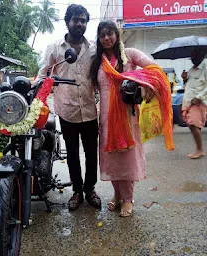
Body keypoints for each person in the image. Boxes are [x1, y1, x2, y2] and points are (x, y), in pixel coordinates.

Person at [90, 20, 158, 217]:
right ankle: (117, 195)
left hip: (127, 117)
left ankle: (128, 199)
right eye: (102, 34)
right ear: (99, 38)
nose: (106, 38)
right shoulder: (98, 61)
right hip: (105, 119)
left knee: (126, 159)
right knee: (112, 159)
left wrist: (147, 85)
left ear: (117, 34)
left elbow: (153, 69)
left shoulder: (130, 54)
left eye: (110, 33)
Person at [37, 4, 101, 211]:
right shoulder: (55, 48)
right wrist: (33, 91)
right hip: (66, 109)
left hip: (90, 109)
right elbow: (43, 74)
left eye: (83, 20)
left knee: (91, 153)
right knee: (72, 153)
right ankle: (76, 191)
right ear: (67, 22)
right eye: (76, 19)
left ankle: (90, 189)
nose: (79, 23)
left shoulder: (93, 48)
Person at [181, 49, 207, 159]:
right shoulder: (192, 70)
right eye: (191, 55)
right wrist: (184, 79)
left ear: (202, 54)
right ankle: (198, 148)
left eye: (195, 55)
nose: (192, 58)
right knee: (193, 125)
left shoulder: (205, 66)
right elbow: (187, 86)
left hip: (198, 101)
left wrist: (199, 97)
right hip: (189, 101)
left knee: (192, 123)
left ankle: (200, 150)